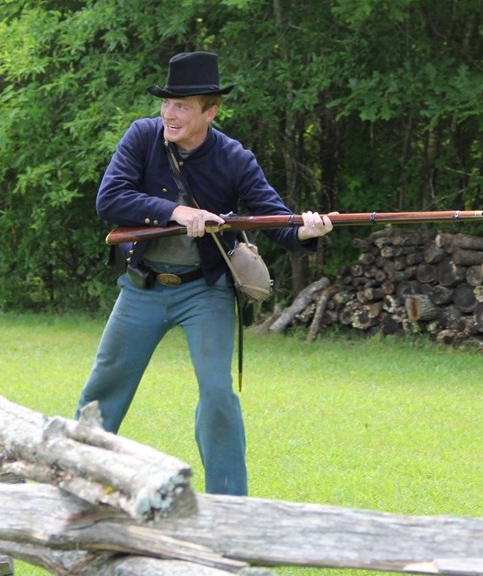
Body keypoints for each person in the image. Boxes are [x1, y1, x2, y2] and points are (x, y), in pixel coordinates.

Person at [75, 51, 333, 496]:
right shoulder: (141, 137)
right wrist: (174, 210)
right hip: (143, 286)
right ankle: (77, 478)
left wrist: (308, 231)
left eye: (183, 106)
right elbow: (110, 199)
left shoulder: (234, 158)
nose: (169, 115)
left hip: (206, 291)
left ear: (210, 112)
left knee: (218, 395)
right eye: (167, 104)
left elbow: (275, 220)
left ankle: (229, 504)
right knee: (104, 386)